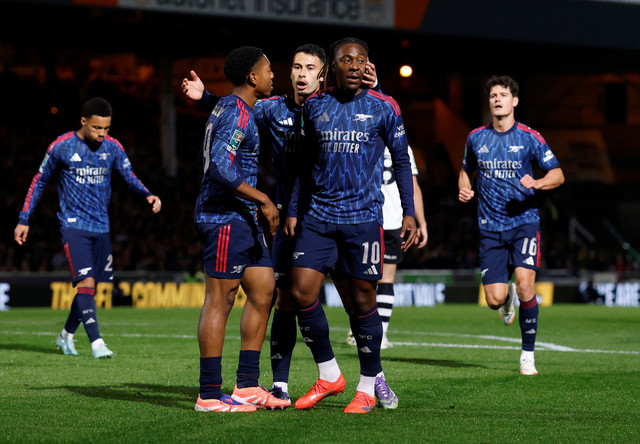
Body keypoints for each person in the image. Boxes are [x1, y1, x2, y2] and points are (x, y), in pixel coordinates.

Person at [182, 45, 393, 408]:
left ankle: (371, 376)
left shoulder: (332, 105)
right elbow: (235, 114)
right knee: (284, 298)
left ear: (323, 75)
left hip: (333, 215)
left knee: (274, 292)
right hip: (269, 215)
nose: (293, 73)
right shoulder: (267, 109)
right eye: (293, 66)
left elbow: (373, 107)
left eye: (309, 67)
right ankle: (278, 383)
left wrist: (372, 86)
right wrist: (208, 99)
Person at [286, 37, 417, 413]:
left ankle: (366, 386)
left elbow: (402, 162)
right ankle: (329, 374)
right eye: (348, 60)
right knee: (299, 292)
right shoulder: (314, 106)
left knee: (361, 301)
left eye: (362, 59)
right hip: (319, 217)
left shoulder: (385, 106)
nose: (356, 65)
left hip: (363, 220)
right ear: (333, 69)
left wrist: (408, 211)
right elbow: (301, 165)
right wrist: (293, 209)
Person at [14, 97, 162, 359]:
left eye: (106, 128)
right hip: (73, 225)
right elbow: (38, 181)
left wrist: (147, 194)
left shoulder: (113, 147)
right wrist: (24, 219)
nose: (102, 134)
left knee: (90, 287)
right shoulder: (61, 146)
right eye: (97, 128)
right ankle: (97, 343)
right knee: (86, 281)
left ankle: (65, 336)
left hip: (101, 226)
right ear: (83, 121)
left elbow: (129, 176)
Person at [191, 46, 289, 413]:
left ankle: (247, 384)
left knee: (264, 290)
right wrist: (263, 198)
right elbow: (218, 166)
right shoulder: (236, 112)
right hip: (223, 216)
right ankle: (210, 395)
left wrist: (204, 97)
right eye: (267, 69)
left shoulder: (234, 107)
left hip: (243, 217)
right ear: (252, 77)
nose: (272, 75)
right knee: (221, 300)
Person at [458, 75, 564, 376]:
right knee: (494, 300)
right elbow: (465, 170)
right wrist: (464, 187)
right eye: (493, 95)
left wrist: (538, 181)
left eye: (503, 94)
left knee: (526, 284)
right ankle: (506, 303)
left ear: (514, 101)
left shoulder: (530, 137)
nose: (497, 99)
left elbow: (558, 174)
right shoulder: (476, 137)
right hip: (490, 227)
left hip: (524, 223)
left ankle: (527, 355)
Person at [348, 144, 428, 350]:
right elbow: (413, 187)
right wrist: (422, 222)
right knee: (386, 278)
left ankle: (365, 327)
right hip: (393, 219)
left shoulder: (361, 138)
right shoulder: (402, 146)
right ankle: (378, 334)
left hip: (366, 217)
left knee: (362, 276)